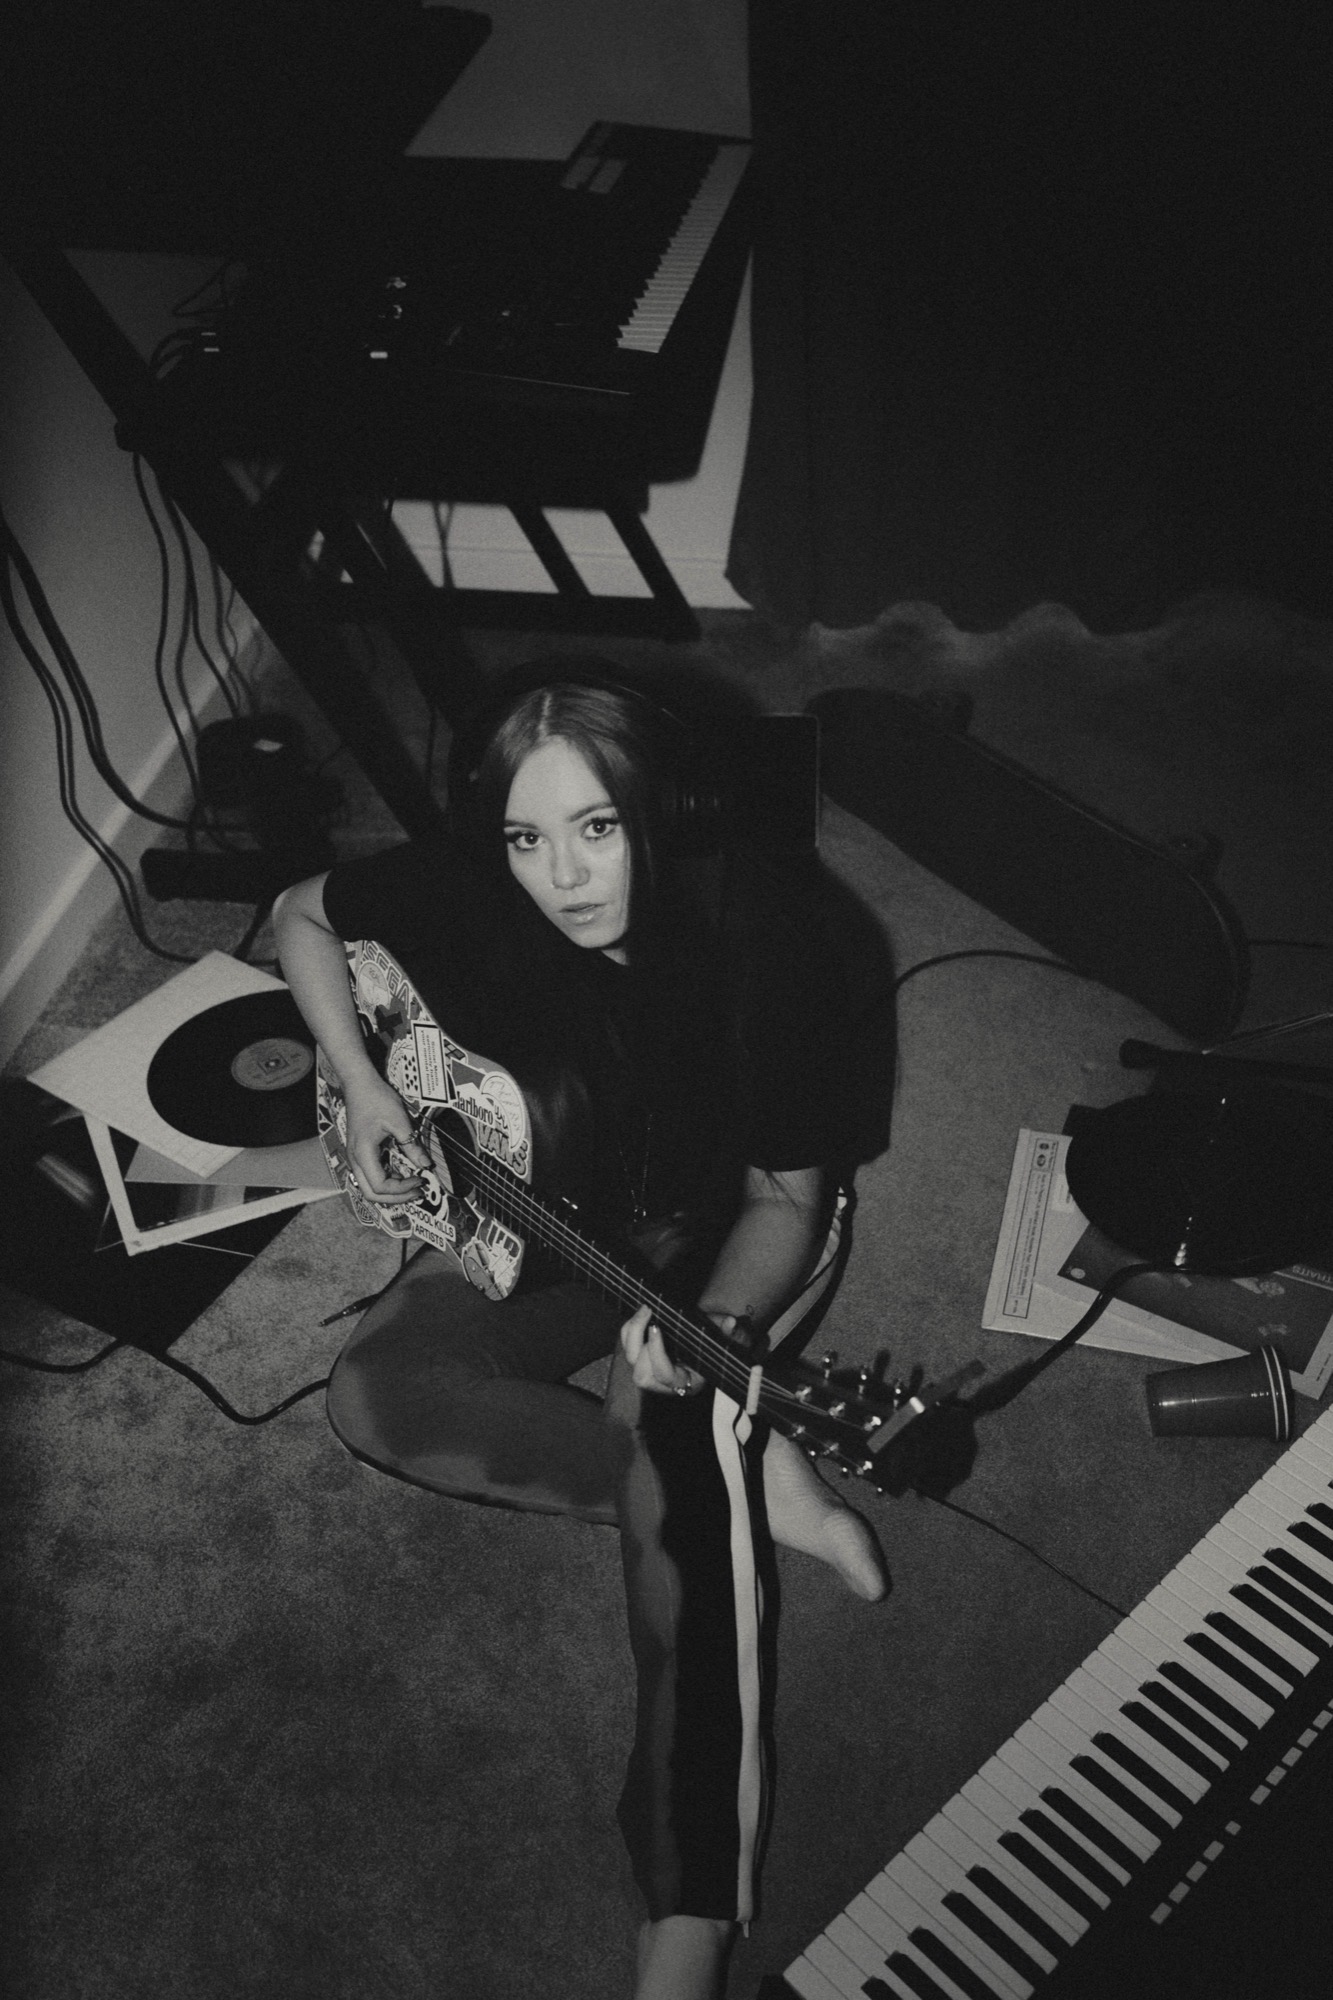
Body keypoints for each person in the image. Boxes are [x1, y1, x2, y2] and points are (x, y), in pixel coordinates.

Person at [273, 665, 887, 2000]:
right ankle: (740, 1471)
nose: (562, 877)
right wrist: (366, 1083)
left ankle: (690, 1909)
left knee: (670, 1440)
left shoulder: (781, 945)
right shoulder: (475, 887)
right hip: (545, 1205)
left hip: (731, 1244)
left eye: (597, 828)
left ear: (660, 812)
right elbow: (298, 914)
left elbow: (790, 1200)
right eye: (526, 836)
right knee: (377, 1395)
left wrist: (719, 1327)